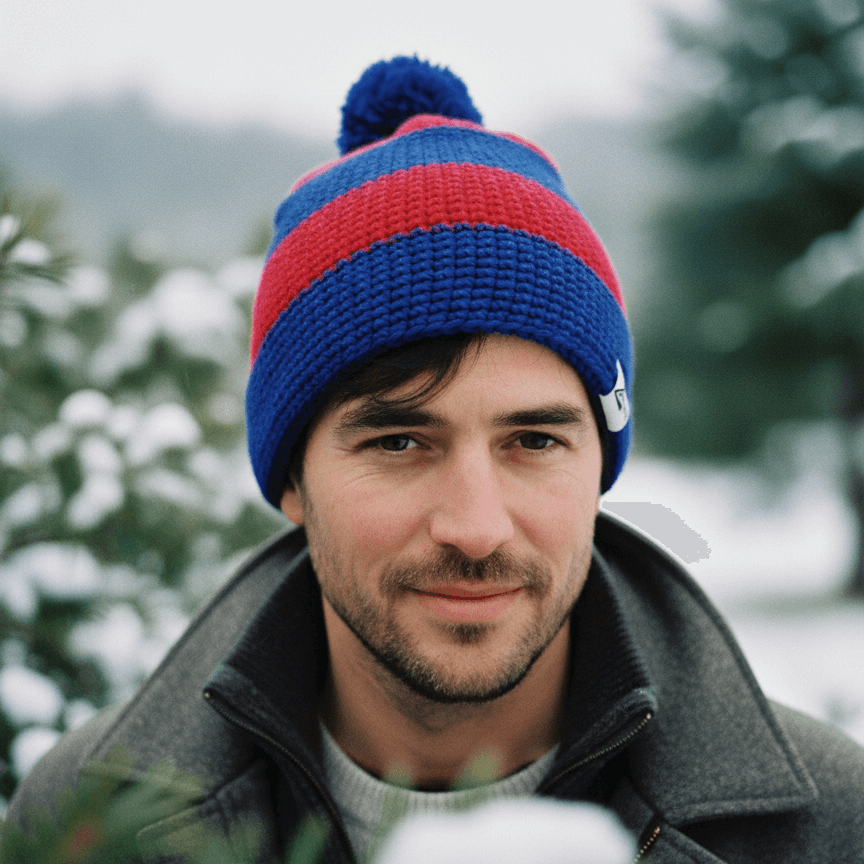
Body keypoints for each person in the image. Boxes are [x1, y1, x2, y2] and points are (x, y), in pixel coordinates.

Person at [5, 56, 864, 864]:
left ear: (597, 465)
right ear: (293, 479)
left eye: (535, 441)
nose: (476, 527)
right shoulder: (81, 824)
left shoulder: (828, 827)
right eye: (399, 442)